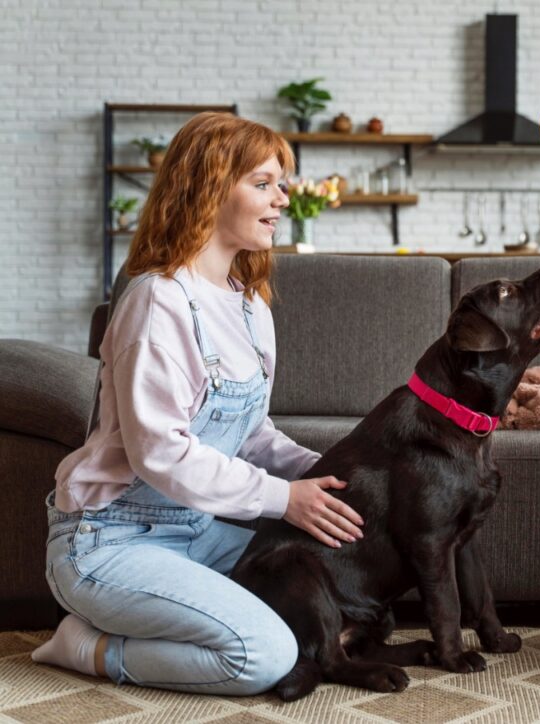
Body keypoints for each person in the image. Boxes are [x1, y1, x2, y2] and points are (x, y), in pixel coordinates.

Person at [31, 112, 366, 695]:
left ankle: (149, 618)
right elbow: (160, 453)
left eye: (281, 184)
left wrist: (331, 470)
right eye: (263, 183)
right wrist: (282, 499)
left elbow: (252, 433)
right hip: (109, 541)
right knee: (265, 655)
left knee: (340, 604)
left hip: (196, 532)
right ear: (209, 187)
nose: (282, 199)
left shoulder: (248, 303)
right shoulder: (157, 301)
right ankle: (87, 646)